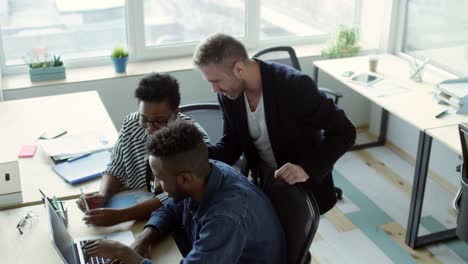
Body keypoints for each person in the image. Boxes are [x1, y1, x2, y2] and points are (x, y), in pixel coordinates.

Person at [192, 33, 356, 214]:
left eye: (216, 81)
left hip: (304, 190)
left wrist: (307, 168)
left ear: (239, 68)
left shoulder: (295, 86)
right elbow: (232, 146)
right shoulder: (229, 95)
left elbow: (345, 131)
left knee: (292, 241)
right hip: (265, 186)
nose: (214, 89)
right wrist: (190, 156)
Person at [84, 121, 286, 264]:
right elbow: (171, 208)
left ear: (185, 179)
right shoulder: (204, 172)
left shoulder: (225, 217)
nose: (156, 185)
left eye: (160, 178)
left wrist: (125, 254)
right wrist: (144, 239)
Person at [77, 73, 210, 226]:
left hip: (177, 220)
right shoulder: (132, 123)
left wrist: (121, 216)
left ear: (175, 113)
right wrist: (103, 195)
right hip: (141, 208)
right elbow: (116, 166)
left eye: (159, 121)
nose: (149, 128)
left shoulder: (194, 141)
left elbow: (178, 198)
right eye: (144, 119)